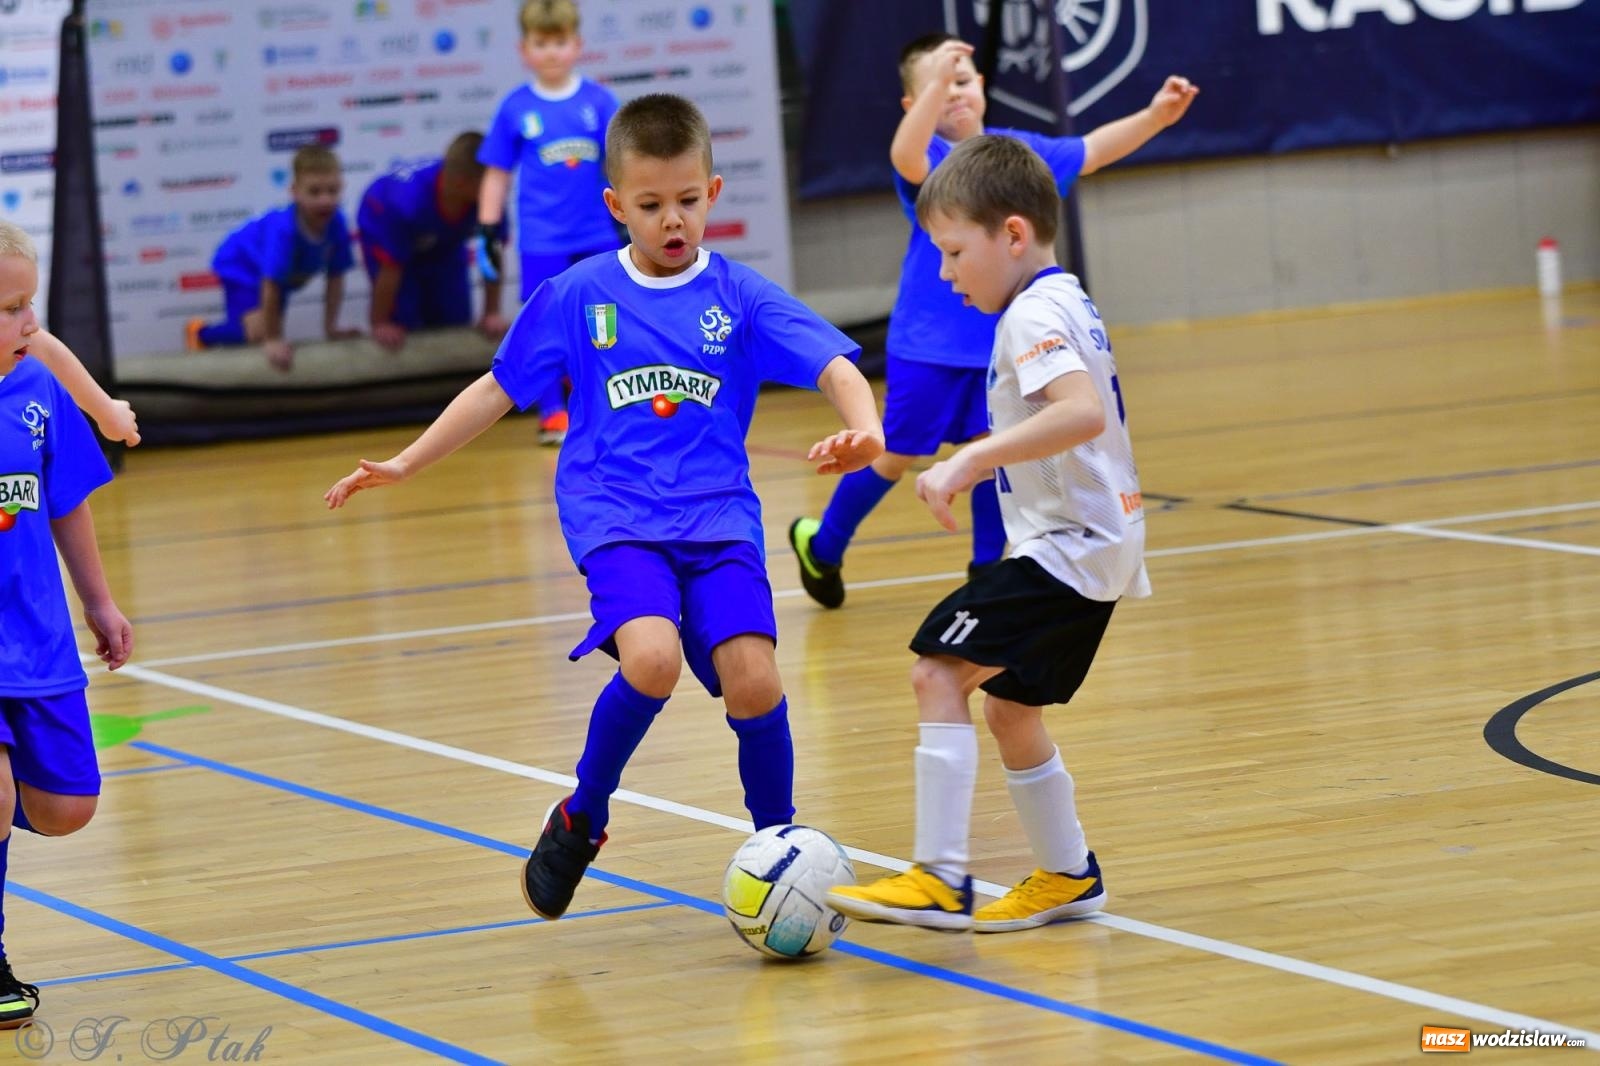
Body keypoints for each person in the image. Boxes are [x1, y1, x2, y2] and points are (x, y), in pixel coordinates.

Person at [326, 94, 884, 921]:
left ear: (713, 194)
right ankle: (582, 816)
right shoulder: (578, 293)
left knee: (755, 677)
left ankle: (780, 845)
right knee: (651, 659)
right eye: (651, 205)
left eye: (687, 200)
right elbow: (497, 388)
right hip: (616, 517)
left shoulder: (739, 295)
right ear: (616, 205)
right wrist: (409, 461)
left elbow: (834, 365)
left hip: (719, 520)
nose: (672, 220)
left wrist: (866, 428)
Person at [826, 135, 1150, 932]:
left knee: (937, 672)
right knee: (1009, 706)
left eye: (953, 251)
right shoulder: (1064, 297)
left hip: (1071, 548)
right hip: (1097, 544)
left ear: (1012, 235)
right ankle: (1068, 874)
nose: (944, 273)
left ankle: (939, 877)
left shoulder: (1032, 313)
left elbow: (1081, 412)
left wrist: (970, 460)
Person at [787, 34, 1195, 608]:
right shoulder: (932, 161)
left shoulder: (1013, 160)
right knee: (895, 453)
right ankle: (824, 546)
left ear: (981, 85)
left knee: (993, 447)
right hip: (926, 349)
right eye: (938, 86)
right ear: (913, 105)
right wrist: (936, 85)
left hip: (996, 348)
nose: (953, 92)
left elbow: (1093, 149)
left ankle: (986, 568)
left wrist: (1156, 117)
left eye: (962, 79)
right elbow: (904, 154)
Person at [0, 220, 134, 1026]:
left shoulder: (38, 392)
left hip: (36, 639)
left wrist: (99, 602)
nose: (30, 323)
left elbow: (67, 502)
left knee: (64, 807)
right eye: (11, 309)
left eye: (30, 304)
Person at [474, 0, 622, 445]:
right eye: (541, 43)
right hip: (542, 238)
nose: (552, 51)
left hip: (596, 232)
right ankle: (552, 411)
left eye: (560, 41)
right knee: (544, 323)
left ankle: (603, 408)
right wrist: (487, 228)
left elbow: (624, 163)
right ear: (524, 49)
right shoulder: (515, 108)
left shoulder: (599, 102)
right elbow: (497, 173)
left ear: (577, 44)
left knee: (605, 321)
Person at [185, 145, 360, 371]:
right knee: (259, 333)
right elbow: (271, 284)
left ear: (342, 187)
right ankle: (200, 332)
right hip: (242, 264)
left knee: (269, 325)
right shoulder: (284, 230)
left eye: (333, 191)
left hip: (281, 278)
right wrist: (272, 338)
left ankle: (261, 333)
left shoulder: (337, 224)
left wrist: (331, 328)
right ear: (295, 191)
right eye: (315, 192)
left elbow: (335, 278)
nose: (325, 200)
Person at [357, 132, 511, 353]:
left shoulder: (488, 200)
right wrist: (380, 321)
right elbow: (390, 268)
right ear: (462, 183)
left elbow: (491, 255)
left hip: (442, 242)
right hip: (384, 224)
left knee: (454, 318)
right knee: (403, 322)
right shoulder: (405, 203)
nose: (504, 186)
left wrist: (491, 312)